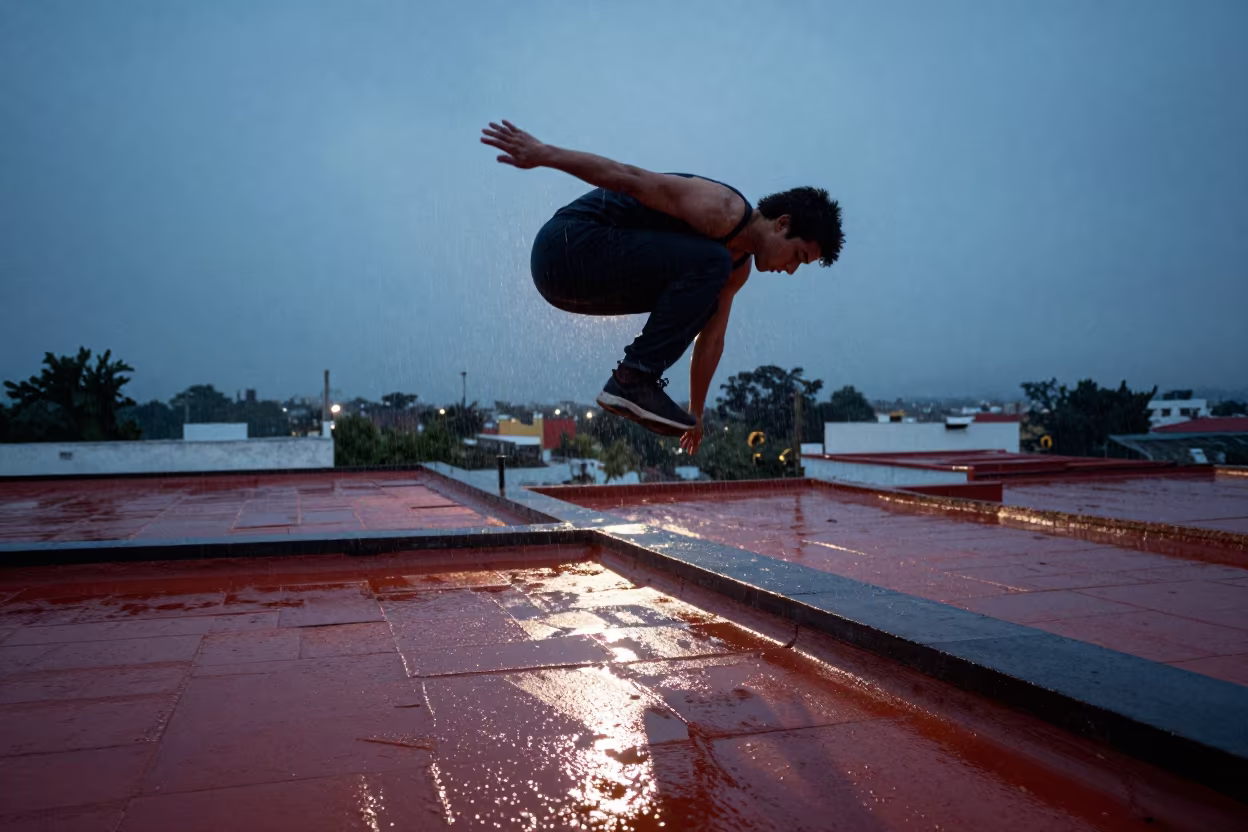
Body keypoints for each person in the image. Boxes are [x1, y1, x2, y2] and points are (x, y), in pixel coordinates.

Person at [480, 120, 844, 455]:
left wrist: (696, 413)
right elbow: (628, 177)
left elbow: (711, 340)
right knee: (711, 264)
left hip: (571, 287)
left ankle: (633, 380)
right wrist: (544, 154)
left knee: (711, 290)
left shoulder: (735, 270)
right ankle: (633, 378)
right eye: (797, 255)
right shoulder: (722, 209)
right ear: (782, 224)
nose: (792, 269)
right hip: (565, 246)